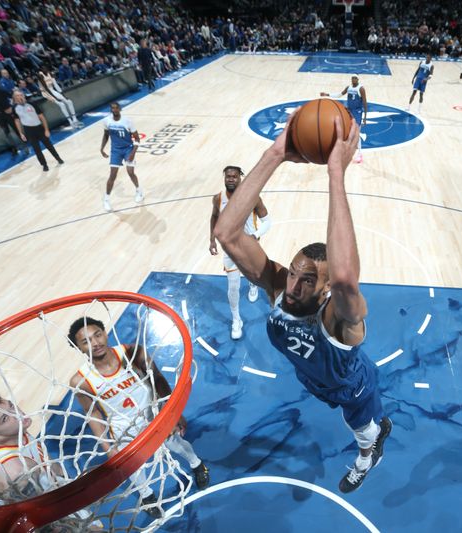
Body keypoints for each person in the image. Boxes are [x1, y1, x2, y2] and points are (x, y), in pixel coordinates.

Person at [214, 111, 392, 494]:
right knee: (360, 417)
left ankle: (370, 454)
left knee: (361, 432)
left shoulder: (341, 318)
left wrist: (336, 174)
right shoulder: (280, 286)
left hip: (350, 387)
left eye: (308, 280)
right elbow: (227, 234)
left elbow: (345, 279)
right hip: (314, 378)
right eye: (294, 272)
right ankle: (376, 427)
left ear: (325, 291)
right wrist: (274, 154)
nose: (293, 285)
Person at [67, 317, 210, 518]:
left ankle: (197, 464)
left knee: (176, 445)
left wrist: (173, 413)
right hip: (123, 427)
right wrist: (108, 448)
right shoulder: (80, 380)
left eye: (97, 335)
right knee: (132, 466)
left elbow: (158, 379)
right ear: (79, 348)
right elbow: (93, 413)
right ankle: (147, 495)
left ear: (105, 333)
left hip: (154, 415)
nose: (96, 343)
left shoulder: (131, 352)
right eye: (86, 341)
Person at [0, 393, 102, 528]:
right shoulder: (15, 474)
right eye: (5, 418)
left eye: (11, 406)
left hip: (56, 494)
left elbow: (47, 463)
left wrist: (69, 481)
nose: (17, 414)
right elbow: (46, 522)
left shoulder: (13, 431)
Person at [210, 165, 271, 339]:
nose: (231, 179)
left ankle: (253, 285)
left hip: (250, 248)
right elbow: (214, 217)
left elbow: (268, 222)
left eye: (234, 176)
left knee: (256, 276)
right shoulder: (218, 198)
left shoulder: (252, 198)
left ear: (240, 178)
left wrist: (255, 235)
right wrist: (211, 239)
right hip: (230, 249)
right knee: (233, 286)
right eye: (228, 176)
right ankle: (236, 320)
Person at [100, 102, 144, 212]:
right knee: (112, 175)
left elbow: (137, 139)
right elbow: (106, 135)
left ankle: (139, 191)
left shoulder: (127, 121)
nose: (114, 110)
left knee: (130, 172)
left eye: (116, 108)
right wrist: (102, 148)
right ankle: (106, 199)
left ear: (120, 109)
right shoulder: (107, 121)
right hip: (115, 150)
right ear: (111, 110)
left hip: (128, 149)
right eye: (112, 108)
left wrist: (133, 153)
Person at [12, 90, 64, 172]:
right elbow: (17, 121)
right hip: (28, 130)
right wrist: (21, 133)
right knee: (37, 149)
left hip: (39, 128)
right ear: (15, 98)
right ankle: (44, 165)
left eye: (21, 94)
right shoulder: (15, 108)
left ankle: (58, 158)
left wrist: (46, 130)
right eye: (18, 95)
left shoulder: (32, 104)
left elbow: (42, 117)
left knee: (49, 145)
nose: (20, 96)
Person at [320, 74, 367, 163]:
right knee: (347, 131)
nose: (353, 79)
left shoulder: (361, 89)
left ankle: (360, 155)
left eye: (355, 78)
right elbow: (339, 95)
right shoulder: (348, 87)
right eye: (352, 78)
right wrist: (327, 94)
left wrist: (365, 117)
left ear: (358, 79)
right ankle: (347, 152)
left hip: (358, 113)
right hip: (349, 111)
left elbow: (365, 102)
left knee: (356, 133)